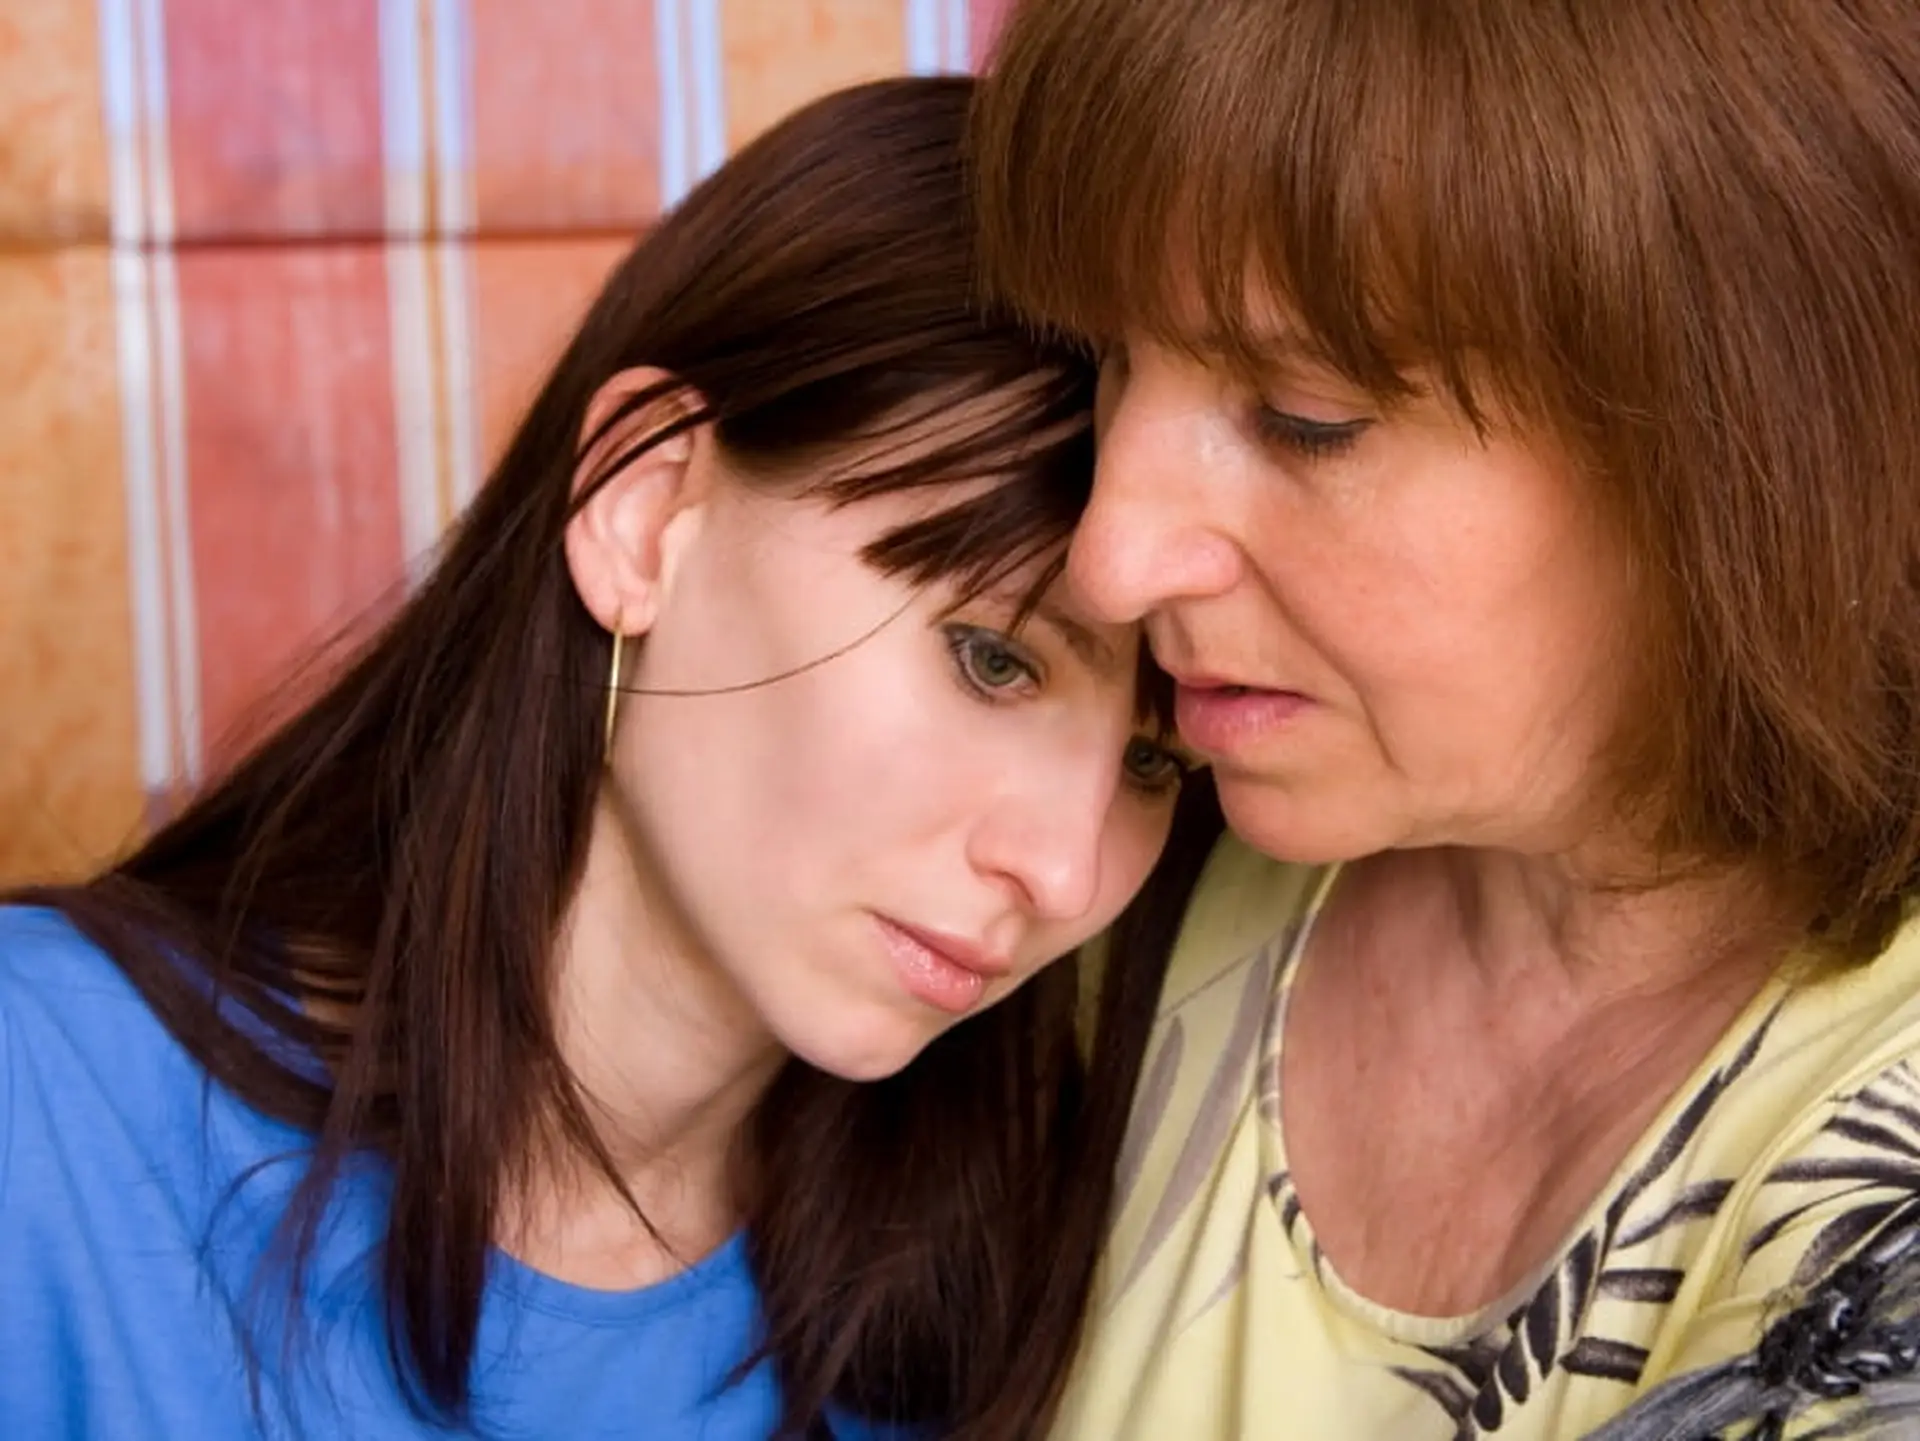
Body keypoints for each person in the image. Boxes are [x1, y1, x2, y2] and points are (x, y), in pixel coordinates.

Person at [0, 76, 1219, 1441]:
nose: (1060, 866)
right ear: (647, 513)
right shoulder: (41, 1123)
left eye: (1157, 765)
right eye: (992, 658)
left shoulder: (998, 1327)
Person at [965, 1, 1920, 1437]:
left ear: (1755, 443)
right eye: (1106, 358)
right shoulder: (1088, 870)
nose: (1107, 558)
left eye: (1305, 416)